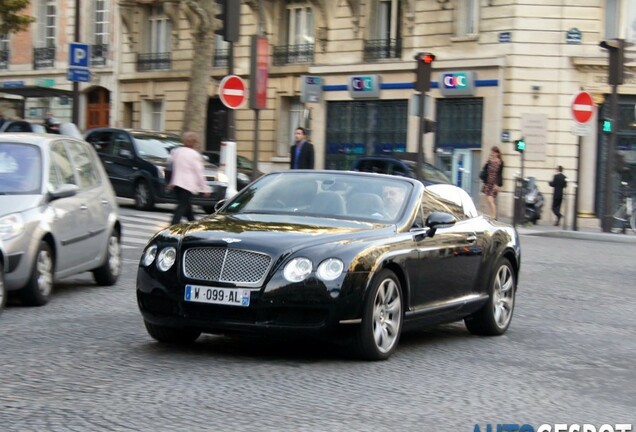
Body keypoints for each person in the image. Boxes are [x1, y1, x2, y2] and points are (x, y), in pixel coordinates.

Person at [167, 131, 211, 225]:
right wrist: (205, 188)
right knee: (182, 206)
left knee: (186, 206)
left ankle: (192, 223)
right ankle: (173, 225)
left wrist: (170, 182)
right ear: (194, 143)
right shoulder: (194, 155)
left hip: (176, 183)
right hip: (187, 185)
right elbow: (199, 172)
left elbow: (169, 163)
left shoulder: (177, 151)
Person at [480, 146, 504, 219]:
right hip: (488, 182)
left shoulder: (500, 162)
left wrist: (497, 184)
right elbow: (484, 169)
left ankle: (494, 216)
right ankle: (491, 215)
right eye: (492, 152)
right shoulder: (489, 161)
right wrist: (488, 162)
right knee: (488, 200)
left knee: (491, 199)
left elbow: (500, 174)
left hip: (494, 183)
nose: (492, 154)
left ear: (497, 153)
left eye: (494, 152)